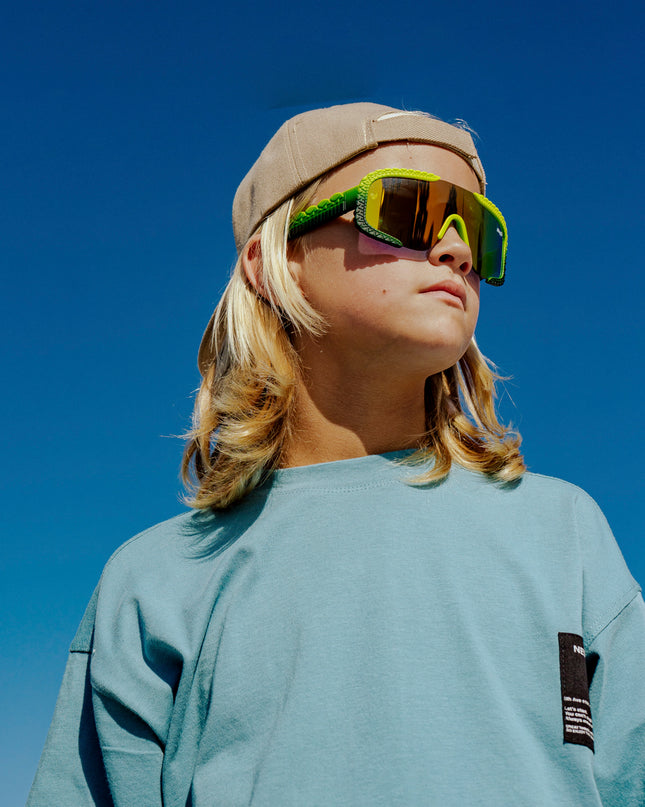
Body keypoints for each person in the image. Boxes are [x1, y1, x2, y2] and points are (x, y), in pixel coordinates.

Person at [28, 102, 645, 806]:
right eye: (408, 209)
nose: (455, 250)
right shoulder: (154, 583)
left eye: (477, 229)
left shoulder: (565, 533)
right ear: (275, 257)